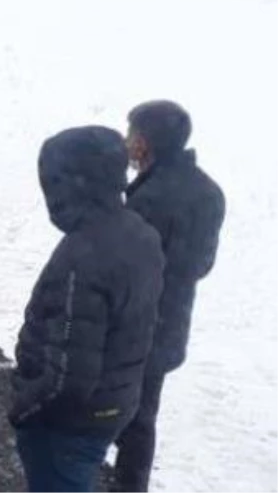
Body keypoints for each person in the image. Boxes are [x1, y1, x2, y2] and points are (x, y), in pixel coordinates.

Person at [9, 126, 165, 493]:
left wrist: (24, 407)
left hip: (67, 425)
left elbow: (68, 379)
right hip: (112, 403)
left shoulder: (84, 256)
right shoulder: (139, 233)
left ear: (76, 183)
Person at [111, 101, 226, 493]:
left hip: (133, 324)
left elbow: (126, 267)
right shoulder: (209, 192)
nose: (126, 143)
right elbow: (201, 265)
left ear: (144, 143)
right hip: (171, 324)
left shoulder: (149, 198)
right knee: (143, 417)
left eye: (130, 135)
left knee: (113, 411)